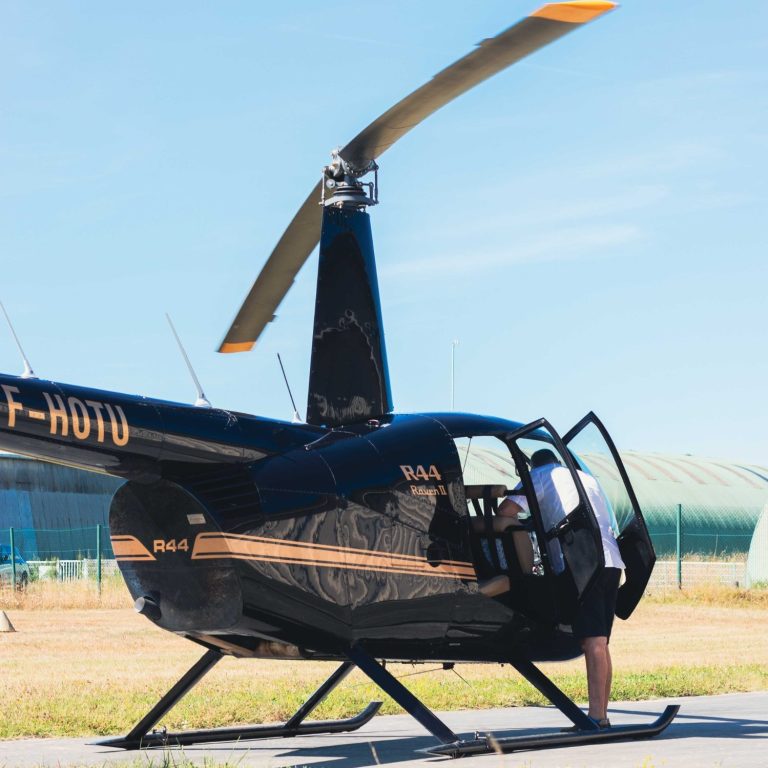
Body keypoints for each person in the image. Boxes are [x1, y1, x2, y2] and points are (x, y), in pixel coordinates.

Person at [489, 448, 625, 729]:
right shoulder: (583, 477)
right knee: (600, 642)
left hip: (583, 562)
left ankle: (597, 717)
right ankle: (602, 714)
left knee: (592, 642)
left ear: (533, 466)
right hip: (611, 561)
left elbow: (506, 512)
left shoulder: (539, 476)